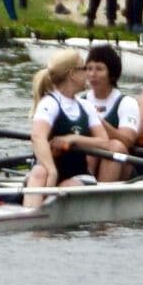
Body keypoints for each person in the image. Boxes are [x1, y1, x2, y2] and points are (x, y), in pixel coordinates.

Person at [25, 48, 94, 204]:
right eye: (84, 68)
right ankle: (30, 219)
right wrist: (52, 171)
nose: (88, 74)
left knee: (65, 185)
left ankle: (37, 214)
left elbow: (105, 142)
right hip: (49, 174)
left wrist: (73, 139)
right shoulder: (50, 103)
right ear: (72, 74)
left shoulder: (86, 106)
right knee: (38, 171)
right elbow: (37, 137)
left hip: (78, 174)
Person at [78, 43, 139, 181]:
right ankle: (83, 184)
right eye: (89, 69)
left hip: (121, 165)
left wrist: (98, 123)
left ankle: (101, 194)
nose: (93, 75)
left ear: (112, 74)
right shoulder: (80, 101)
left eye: (99, 69)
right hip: (89, 158)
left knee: (115, 146)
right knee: (90, 144)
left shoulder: (126, 103)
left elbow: (128, 141)